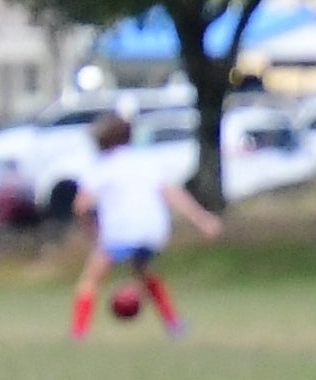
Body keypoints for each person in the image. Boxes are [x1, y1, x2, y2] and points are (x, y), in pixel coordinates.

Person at [68, 112, 218, 337]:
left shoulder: (102, 167)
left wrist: (92, 231)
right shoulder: (145, 161)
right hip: (152, 230)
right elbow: (172, 194)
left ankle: (78, 331)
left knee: (90, 279)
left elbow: (81, 205)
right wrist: (202, 219)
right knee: (144, 271)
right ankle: (173, 323)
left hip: (120, 230)